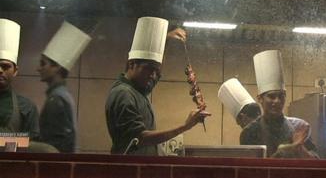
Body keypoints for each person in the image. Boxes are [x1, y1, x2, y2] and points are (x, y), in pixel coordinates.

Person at [105, 17, 209, 156]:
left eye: (157, 72)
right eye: (149, 69)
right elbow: (139, 138)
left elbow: (153, 65)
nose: (154, 76)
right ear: (131, 64)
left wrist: (163, 40)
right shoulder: (124, 94)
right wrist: (185, 126)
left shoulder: (138, 91)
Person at [240, 50, 318, 158]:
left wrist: (299, 147)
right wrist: (283, 152)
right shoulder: (250, 132)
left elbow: (315, 164)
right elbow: (250, 169)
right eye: (272, 96)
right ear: (260, 99)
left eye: (281, 96)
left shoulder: (299, 127)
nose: (277, 101)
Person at [37, 21, 92, 153]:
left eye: (43, 64)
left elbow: (54, 146)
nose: (38, 69)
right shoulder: (61, 95)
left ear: (56, 67)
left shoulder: (56, 99)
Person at [0, 18, 40, 140]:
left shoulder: (27, 107)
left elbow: (31, 146)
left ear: (15, 71)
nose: (0, 70)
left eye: (5, 66)